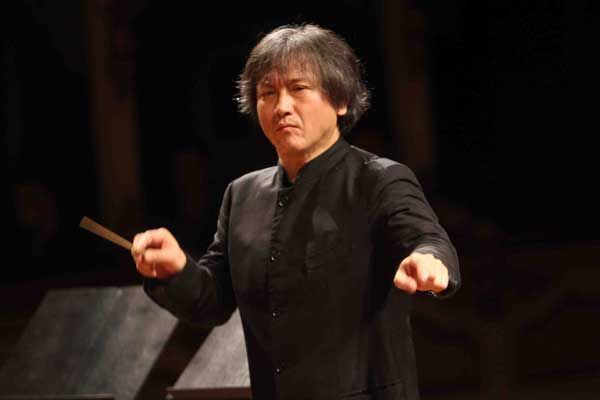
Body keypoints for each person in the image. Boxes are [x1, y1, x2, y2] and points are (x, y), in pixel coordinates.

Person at [131, 23, 460, 400]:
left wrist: (430, 262)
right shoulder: (242, 194)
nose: (281, 106)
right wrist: (175, 269)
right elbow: (212, 301)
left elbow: (429, 240)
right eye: (267, 93)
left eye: (299, 89)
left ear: (340, 101)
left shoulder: (377, 179)